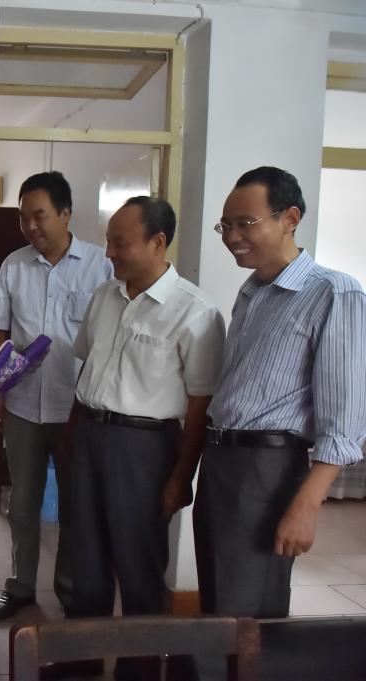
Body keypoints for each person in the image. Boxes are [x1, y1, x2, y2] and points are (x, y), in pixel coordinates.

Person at [195, 167, 366, 619]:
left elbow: (344, 417)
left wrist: (308, 505)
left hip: (267, 469)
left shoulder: (333, 291)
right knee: (218, 597)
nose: (233, 237)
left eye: (245, 223)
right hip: (222, 461)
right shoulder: (253, 292)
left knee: (250, 611)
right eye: (225, 226)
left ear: (290, 218)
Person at [69, 197, 224, 680]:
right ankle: (79, 664)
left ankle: (138, 671)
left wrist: (181, 477)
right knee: (83, 565)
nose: (109, 252)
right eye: (108, 241)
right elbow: (85, 370)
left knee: (138, 569)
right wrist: (72, 440)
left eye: (120, 243)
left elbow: (200, 405)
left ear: (157, 243)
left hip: (145, 449)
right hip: (90, 437)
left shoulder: (196, 312)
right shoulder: (104, 296)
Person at [0, 171, 113, 620]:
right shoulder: (14, 265)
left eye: (39, 216)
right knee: (22, 504)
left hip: (77, 407)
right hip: (22, 404)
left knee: (76, 506)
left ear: (65, 214)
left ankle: (71, 592)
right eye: (24, 217)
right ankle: (20, 586)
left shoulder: (100, 266)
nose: (30, 226)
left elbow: (110, 336)